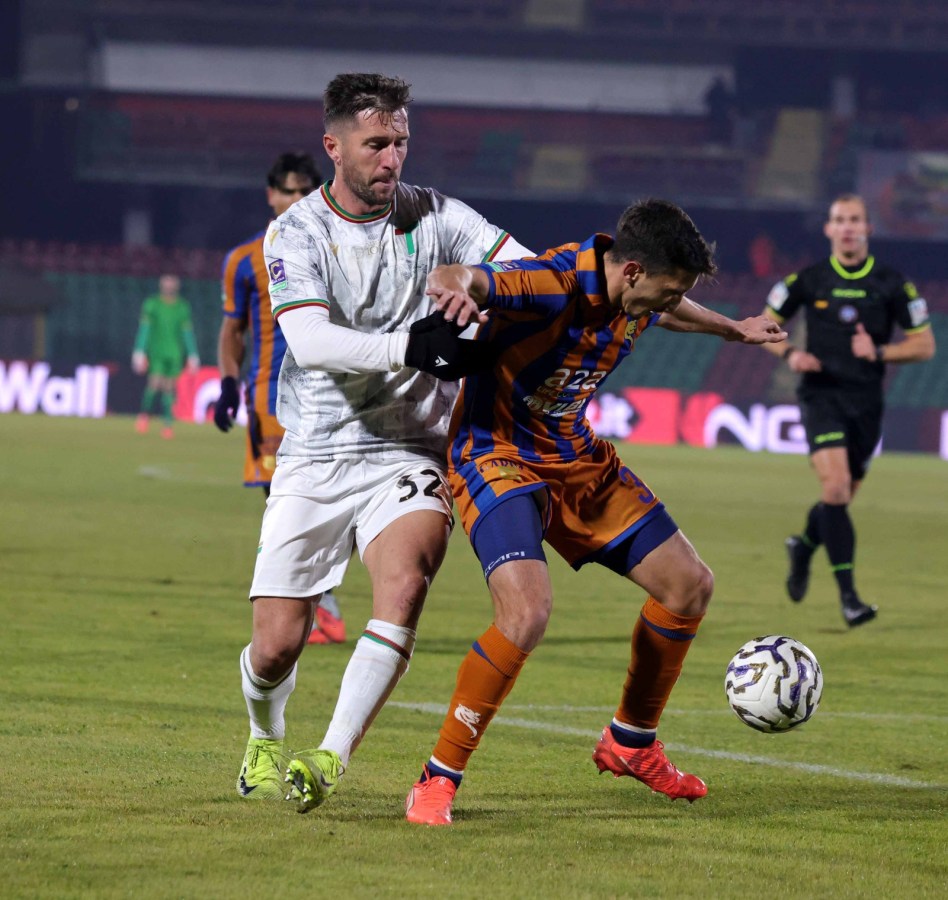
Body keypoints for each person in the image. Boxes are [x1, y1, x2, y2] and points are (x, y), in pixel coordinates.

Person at [402, 199, 787, 826]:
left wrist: (730, 328)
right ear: (632, 271)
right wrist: (455, 291)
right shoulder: (554, 284)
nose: (668, 306)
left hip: (574, 455)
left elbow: (670, 310)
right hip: (496, 455)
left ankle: (632, 742)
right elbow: (455, 276)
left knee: (688, 585)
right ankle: (437, 778)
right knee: (526, 612)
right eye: (666, 294)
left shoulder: (639, 293)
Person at [235, 72, 532, 809]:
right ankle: (264, 738)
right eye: (376, 144)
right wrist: (416, 347)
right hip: (315, 452)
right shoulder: (295, 231)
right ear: (334, 146)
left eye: (400, 141)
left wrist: (483, 284)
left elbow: (531, 269)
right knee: (275, 646)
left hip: (410, 448)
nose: (391, 158)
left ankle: (328, 760)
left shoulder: (437, 216)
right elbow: (308, 338)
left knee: (403, 585)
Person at [761, 194, 935, 627]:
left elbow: (924, 345)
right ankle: (849, 599)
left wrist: (878, 350)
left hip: (866, 403)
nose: (848, 227)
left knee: (837, 500)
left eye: (855, 219)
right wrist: (790, 355)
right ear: (828, 229)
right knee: (836, 488)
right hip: (821, 396)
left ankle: (802, 546)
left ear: (868, 228)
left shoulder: (893, 284)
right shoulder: (809, 279)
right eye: (839, 220)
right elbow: (765, 325)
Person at [212, 151, 345, 646]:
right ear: (271, 195)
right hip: (269, 401)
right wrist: (228, 383)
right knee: (283, 506)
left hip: (333, 396)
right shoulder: (244, 259)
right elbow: (233, 330)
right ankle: (317, 608)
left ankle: (319, 604)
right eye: (286, 191)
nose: (294, 200)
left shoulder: (340, 251)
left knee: (332, 503)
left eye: (304, 190)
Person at [132, 273, 199, 439]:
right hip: (157, 351)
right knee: (154, 384)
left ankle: (167, 424)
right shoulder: (152, 304)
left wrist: (192, 353)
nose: (169, 287)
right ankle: (144, 415)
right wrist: (139, 350)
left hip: (175, 353)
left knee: (169, 387)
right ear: (161, 286)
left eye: (172, 284)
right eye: (166, 284)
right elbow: (145, 330)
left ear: (176, 287)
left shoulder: (182, 307)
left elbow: (187, 332)